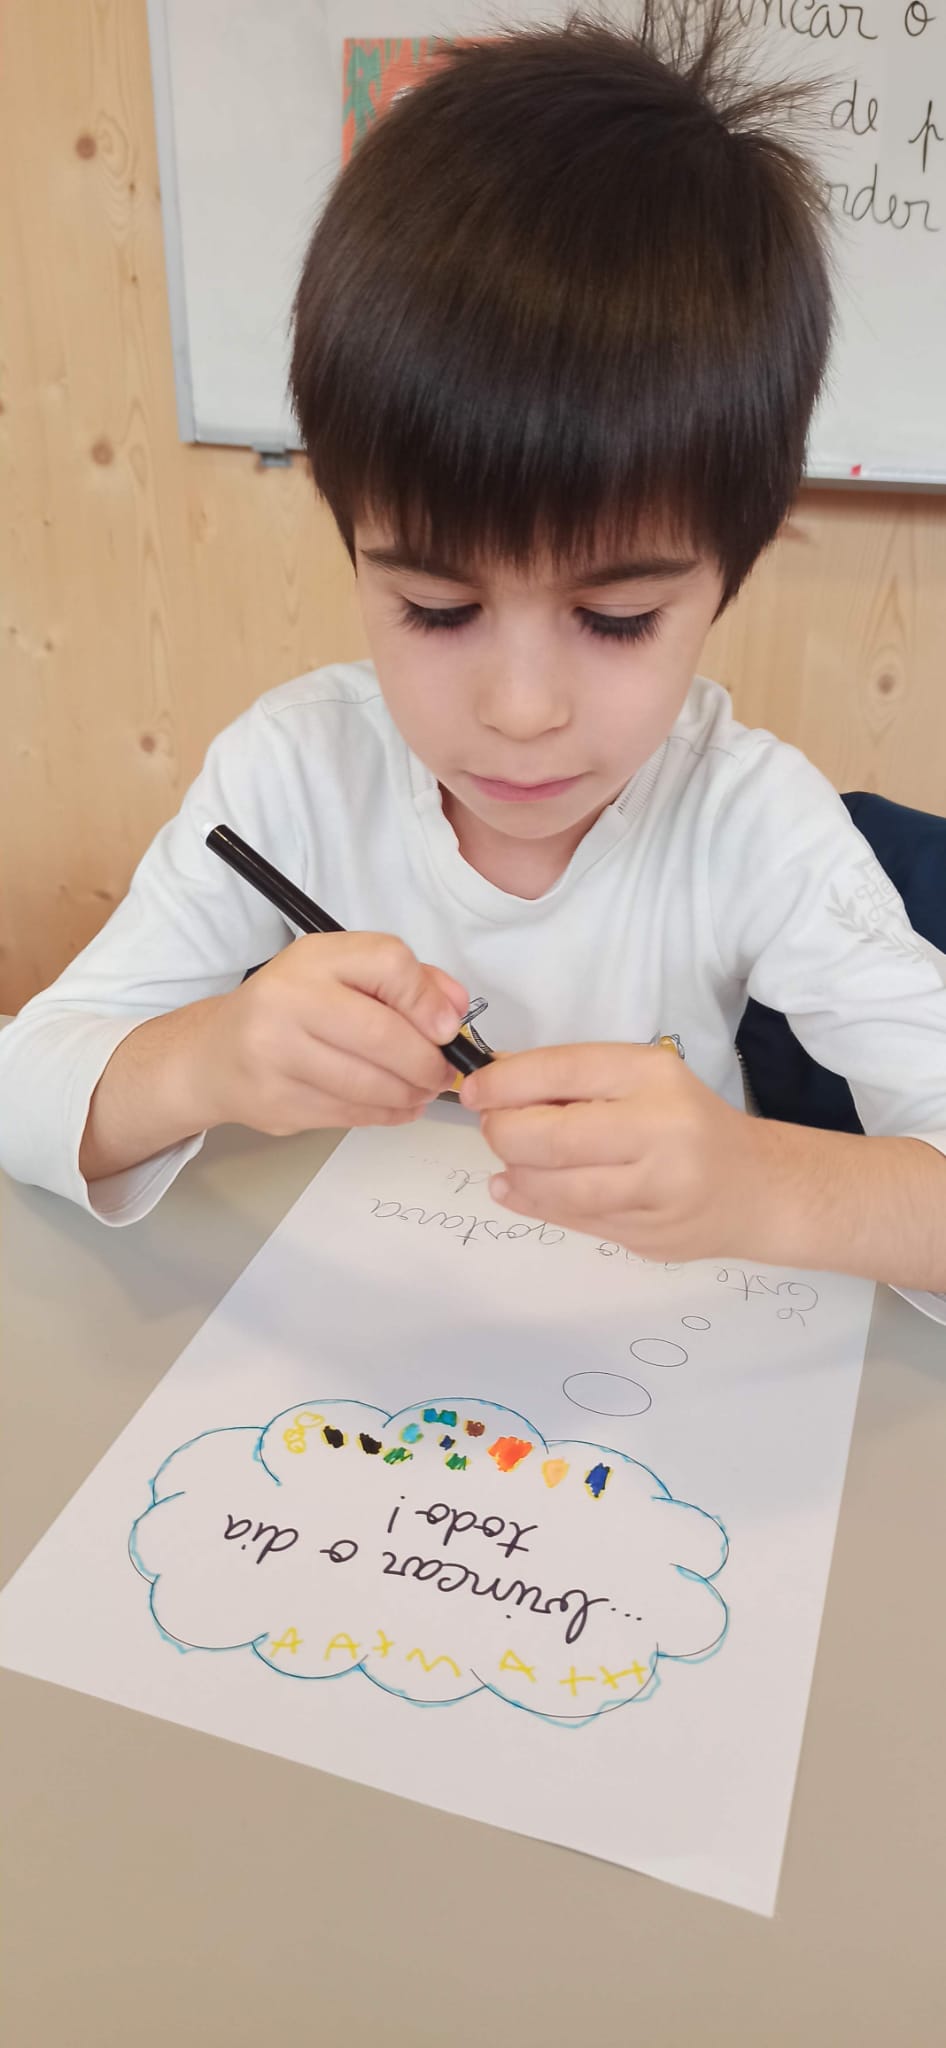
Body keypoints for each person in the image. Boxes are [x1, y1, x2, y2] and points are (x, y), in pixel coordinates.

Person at [1, 5, 944, 1290]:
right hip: (350, 1348)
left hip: (666, 1359)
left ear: (731, 567)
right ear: (353, 543)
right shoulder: (291, 774)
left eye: (615, 619)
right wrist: (207, 1057)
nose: (519, 708)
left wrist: (765, 1185)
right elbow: (26, 1081)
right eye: (438, 610)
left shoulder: (753, 824)